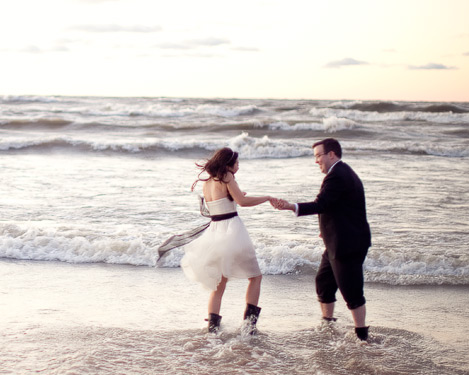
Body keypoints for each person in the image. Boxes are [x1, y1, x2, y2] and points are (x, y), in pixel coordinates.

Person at [158, 148, 271, 333]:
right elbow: (242, 202)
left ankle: (213, 328)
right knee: (255, 277)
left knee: (220, 283)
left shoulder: (208, 182)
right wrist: (267, 198)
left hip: (215, 232)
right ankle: (248, 326)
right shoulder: (227, 176)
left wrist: (236, 195)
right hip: (232, 230)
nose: (238, 166)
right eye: (237, 163)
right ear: (228, 164)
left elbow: (220, 205)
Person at [271, 138, 372, 341]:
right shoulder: (341, 172)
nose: (316, 161)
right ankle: (327, 325)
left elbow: (322, 204)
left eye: (318, 156)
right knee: (324, 282)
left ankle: (362, 337)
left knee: (351, 291)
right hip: (338, 240)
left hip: (346, 244)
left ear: (331, 154)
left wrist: (291, 206)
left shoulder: (337, 175)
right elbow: (341, 207)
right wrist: (326, 229)